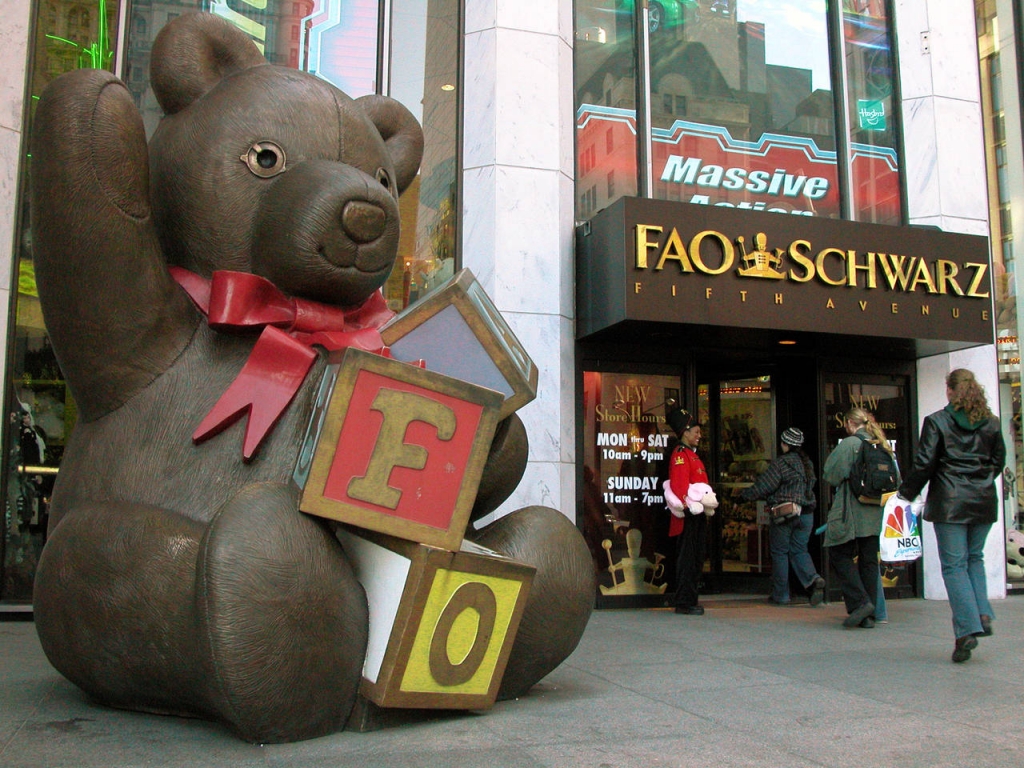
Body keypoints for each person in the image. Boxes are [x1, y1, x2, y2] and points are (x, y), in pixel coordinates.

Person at [898, 369, 1005, 663]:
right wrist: (980, 481)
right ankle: (980, 612)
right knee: (974, 558)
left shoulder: (937, 421)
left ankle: (968, 627)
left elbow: (924, 464)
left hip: (950, 502)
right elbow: (998, 462)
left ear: (949, 390)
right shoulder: (991, 423)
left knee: (954, 566)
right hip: (983, 501)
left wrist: (905, 494)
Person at [822, 407, 896, 628]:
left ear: (850, 424)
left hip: (852, 510)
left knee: (839, 553)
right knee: (869, 562)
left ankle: (860, 603)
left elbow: (831, 474)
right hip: (876, 510)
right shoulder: (881, 444)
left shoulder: (851, 444)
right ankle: (869, 616)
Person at [738, 427, 825, 606]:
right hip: (806, 514)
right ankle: (813, 579)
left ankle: (781, 595)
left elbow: (764, 486)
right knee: (800, 550)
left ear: (785, 444)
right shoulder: (807, 463)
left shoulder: (781, 463)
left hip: (785, 514)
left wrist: (743, 496)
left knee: (780, 552)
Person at [666, 407, 710, 615]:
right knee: (688, 559)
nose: (699, 436)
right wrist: (688, 505)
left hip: (698, 513)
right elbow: (679, 486)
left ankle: (691, 598)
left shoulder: (692, 455)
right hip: (688, 515)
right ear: (685, 432)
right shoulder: (681, 455)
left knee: (696, 558)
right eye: (696, 432)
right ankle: (684, 601)